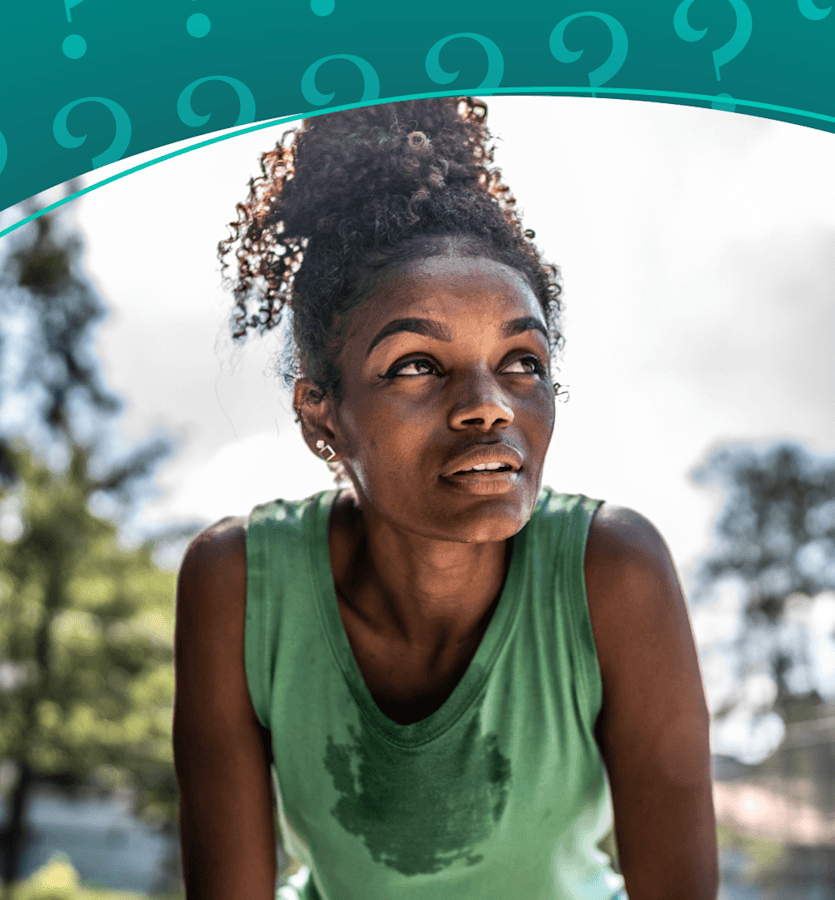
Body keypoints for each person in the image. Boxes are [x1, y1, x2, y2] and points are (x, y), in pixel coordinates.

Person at [172, 96, 717, 900]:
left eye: (523, 362)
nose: (488, 406)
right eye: (418, 365)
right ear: (321, 414)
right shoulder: (238, 585)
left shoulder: (614, 572)